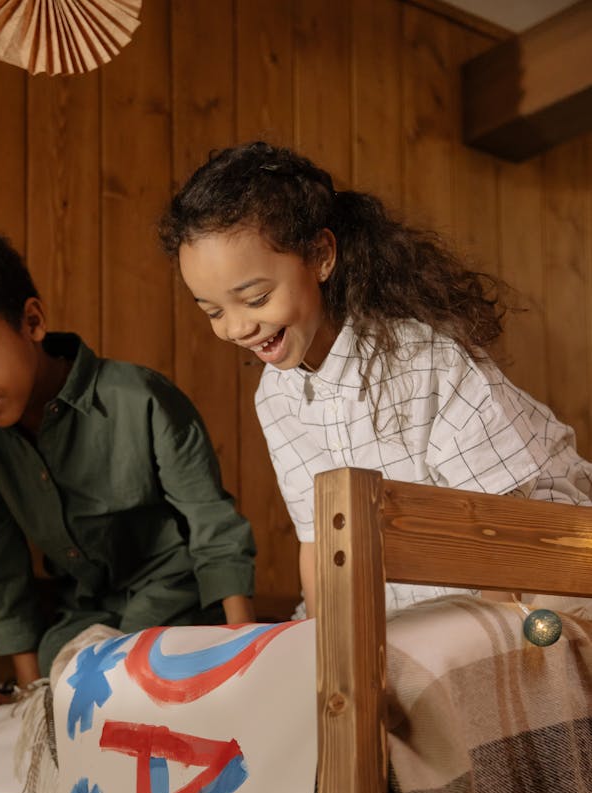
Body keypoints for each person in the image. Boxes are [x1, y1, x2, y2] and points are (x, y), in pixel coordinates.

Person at [160, 140, 592, 618]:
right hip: (406, 593)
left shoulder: (425, 361)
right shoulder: (276, 397)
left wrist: (483, 645)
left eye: (257, 299)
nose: (236, 328)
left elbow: (501, 527)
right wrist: (326, 644)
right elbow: (318, 540)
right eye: (214, 311)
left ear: (321, 256)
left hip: (529, 557)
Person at [0, 223, 256, 714]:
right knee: (65, 673)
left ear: (32, 322)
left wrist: (246, 650)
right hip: (82, 622)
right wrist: (31, 691)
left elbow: (213, 524)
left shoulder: (139, 399)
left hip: (179, 610)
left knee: (137, 674)